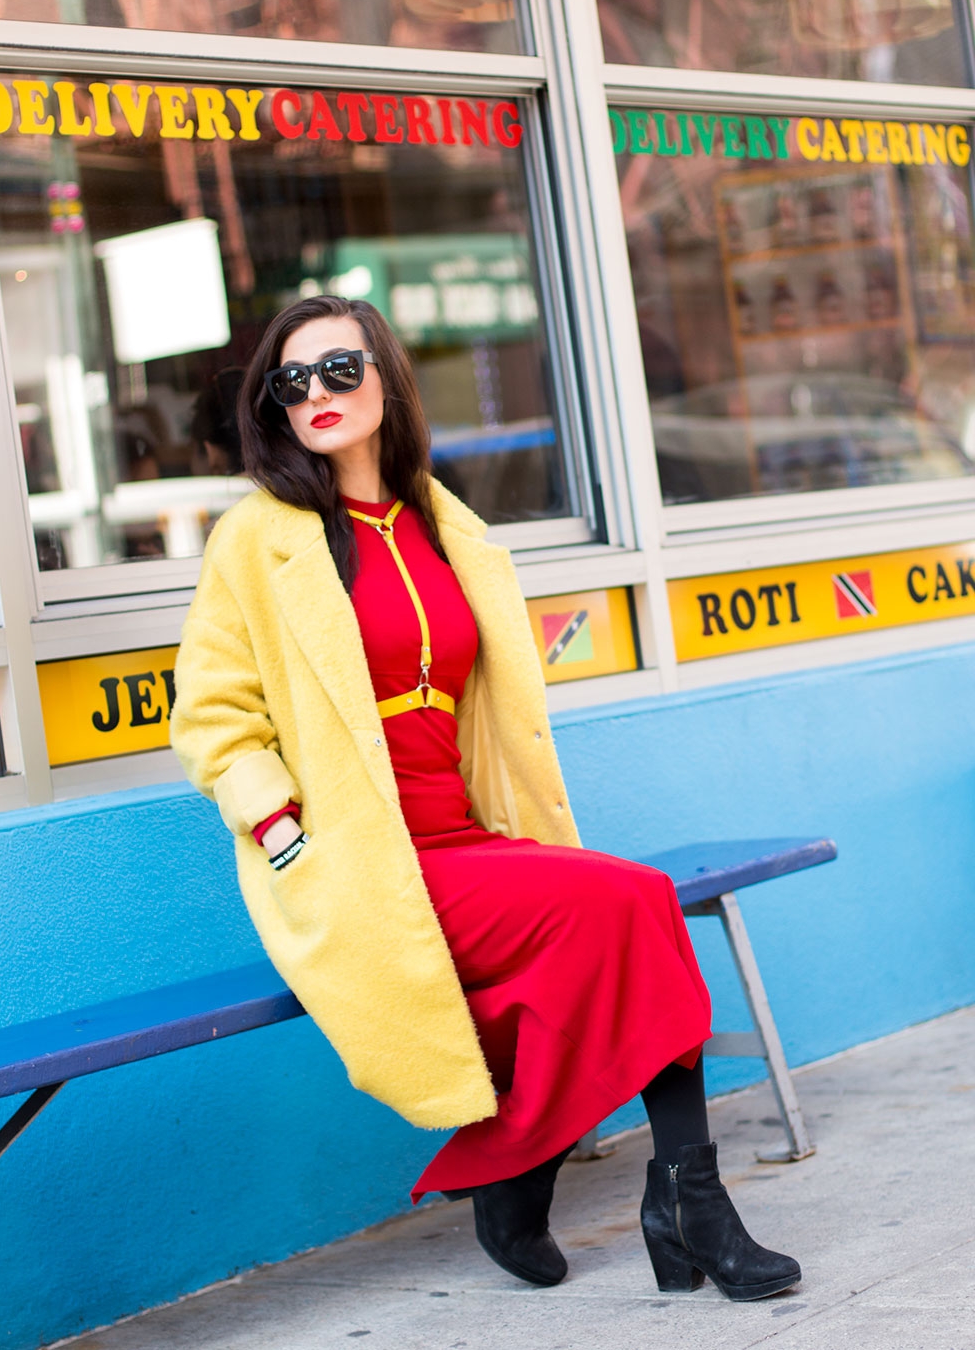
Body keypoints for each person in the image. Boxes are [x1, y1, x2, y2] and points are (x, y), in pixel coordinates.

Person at [169, 295, 801, 1298]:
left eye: (340, 370)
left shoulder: (441, 521)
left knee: (631, 918)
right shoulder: (258, 540)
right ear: (273, 409)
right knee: (631, 904)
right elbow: (212, 719)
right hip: (366, 860)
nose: (317, 395)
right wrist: (286, 836)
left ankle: (583, 1181)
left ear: (386, 380)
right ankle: (670, 1202)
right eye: (292, 382)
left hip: (466, 839)